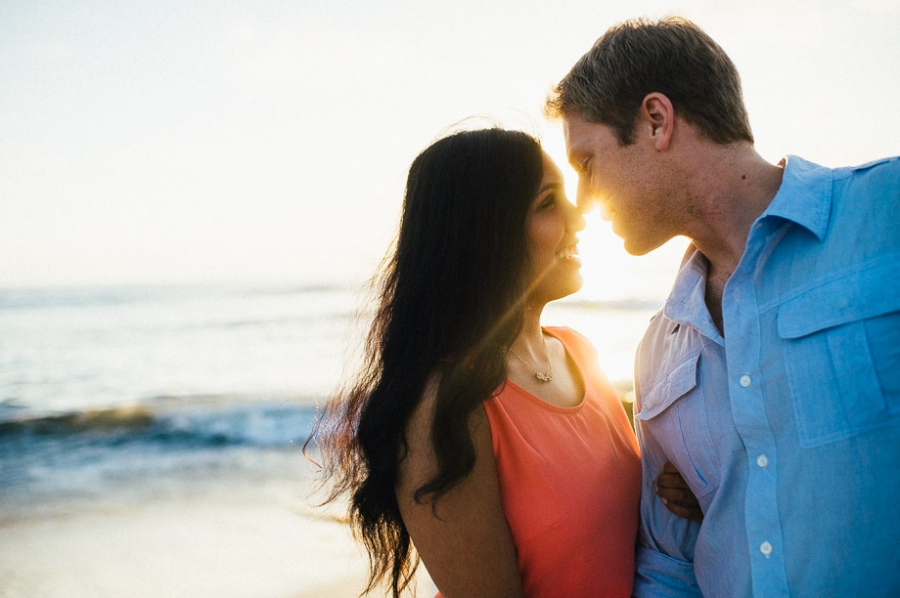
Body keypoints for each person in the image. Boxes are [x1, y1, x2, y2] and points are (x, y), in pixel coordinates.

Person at [546, 15, 900, 597]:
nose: (581, 202)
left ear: (656, 121)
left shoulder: (885, 213)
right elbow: (669, 565)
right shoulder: (659, 350)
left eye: (587, 164)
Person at [307, 127, 697, 598]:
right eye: (548, 203)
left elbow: (616, 524)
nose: (580, 215)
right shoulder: (445, 407)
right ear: (486, 235)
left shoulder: (579, 352)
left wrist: (687, 492)